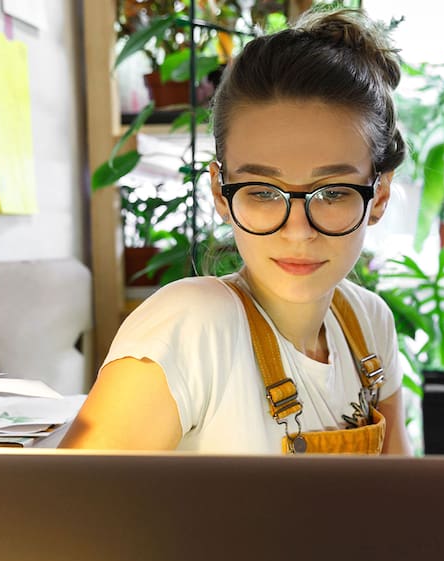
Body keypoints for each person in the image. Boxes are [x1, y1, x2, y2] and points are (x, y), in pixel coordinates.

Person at [62, 7, 410, 455]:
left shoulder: (369, 323)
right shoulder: (191, 326)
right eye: (264, 192)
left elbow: (404, 509)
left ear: (378, 196)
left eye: (332, 192)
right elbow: (65, 517)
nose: (298, 231)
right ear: (222, 194)